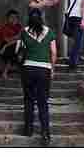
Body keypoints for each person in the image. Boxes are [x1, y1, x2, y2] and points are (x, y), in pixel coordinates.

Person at [19, 9, 57, 146]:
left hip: (28, 68)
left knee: (29, 99)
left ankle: (28, 129)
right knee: (43, 102)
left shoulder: (24, 31)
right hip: (44, 69)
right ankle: (45, 133)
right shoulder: (49, 32)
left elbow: (21, 51)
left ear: (29, 18)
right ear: (41, 18)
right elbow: (53, 52)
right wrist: (52, 69)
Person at [0, 9, 23, 80]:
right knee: (12, 49)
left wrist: (17, 38)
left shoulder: (19, 27)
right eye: (12, 17)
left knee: (22, 46)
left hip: (16, 46)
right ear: (7, 18)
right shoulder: (4, 27)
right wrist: (17, 37)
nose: (14, 19)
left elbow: (22, 38)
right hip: (5, 47)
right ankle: (5, 73)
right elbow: (6, 40)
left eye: (16, 17)